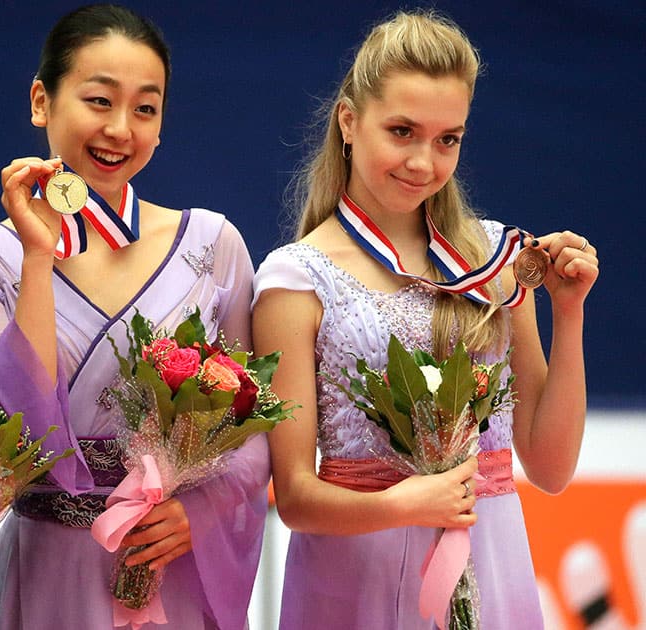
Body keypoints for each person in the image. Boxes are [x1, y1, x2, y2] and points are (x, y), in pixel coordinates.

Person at [251, 9, 598, 630]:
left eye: (448, 139)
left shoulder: (495, 260)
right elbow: (297, 499)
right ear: (349, 121)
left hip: (492, 565)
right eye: (403, 131)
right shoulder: (294, 277)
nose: (424, 162)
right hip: (356, 579)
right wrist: (405, 502)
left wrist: (567, 315)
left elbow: (549, 468)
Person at [0, 4, 269, 628]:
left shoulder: (212, 242)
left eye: (145, 108)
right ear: (41, 101)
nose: (121, 128)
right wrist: (38, 256)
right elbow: (23, 434)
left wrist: (197, 513)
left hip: (168, 565)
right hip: (48, 572)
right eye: (99, 101)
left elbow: (253, 431)